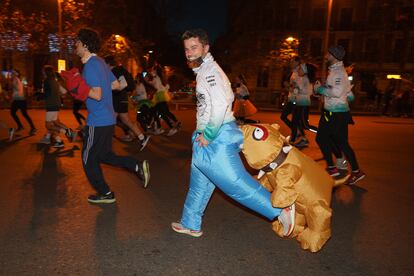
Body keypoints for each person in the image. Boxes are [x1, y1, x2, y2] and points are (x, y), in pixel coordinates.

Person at [171, 29, 295, 237]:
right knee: (199, 184)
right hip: (207, 136)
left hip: (215, 136)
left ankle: (279, 210)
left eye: (194, 47)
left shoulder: (210, 72)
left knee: (235, 183)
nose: (190, 53)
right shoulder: (204, 70)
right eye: (186, 49)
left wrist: (208, 135)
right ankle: (190, 223)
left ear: (205, 48)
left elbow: (221, 104)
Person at [70, 28, 150, 204]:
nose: (75, 45)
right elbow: (116, 85)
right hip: (108, 118)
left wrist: (79, 88)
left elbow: (97, 94)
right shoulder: (100, 62)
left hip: (97, 120)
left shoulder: (91, 66)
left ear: (84, 44)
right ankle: (135, 165)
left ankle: (104, 192)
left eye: (77, 42)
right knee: (104, 155)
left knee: (88, 158)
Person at [314, 45, 365, 185]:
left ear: (333, 56)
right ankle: (346, 169)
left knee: (324, 139)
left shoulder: (338, 73)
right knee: (335, 141)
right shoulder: (337, 71)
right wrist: (329, 93)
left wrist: (320, 89)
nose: (325, 55)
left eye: (328, 53)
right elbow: (350, 96)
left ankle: (337, 168)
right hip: (336, 112)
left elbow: (336, 92)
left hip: (335, 114)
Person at [104, 55, 150, 150]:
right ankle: (142, 137)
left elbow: (123, 84)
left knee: (111, 119)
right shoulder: (117, 71)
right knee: (125, 120)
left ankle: (105, 141)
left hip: (118, 98)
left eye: (105, 64)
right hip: (122, 98)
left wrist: (112, 89)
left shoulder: (114, 71)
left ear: (108, 64)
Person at [39, 65, 76, 148]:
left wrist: (40, 96)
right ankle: (58, 141)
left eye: (43, 71)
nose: (42, 73)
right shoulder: (54, 81)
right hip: (56, 104)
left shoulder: (47, 81)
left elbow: (47, 94)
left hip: (51, 105)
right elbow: (62, 91)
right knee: (56, 122)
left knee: (48, 125)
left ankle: (66, 131)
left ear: (46, 72)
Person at [144, 65, 181, 136]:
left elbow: (156, 86)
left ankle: (171, 127)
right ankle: (164, 127)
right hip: (159, 96)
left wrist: (148, 81)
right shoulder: (158, 78)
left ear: (156, 71)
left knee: (163, 113)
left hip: (160, 96)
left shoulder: (157, 78)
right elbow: (155, 84)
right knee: (162, 113)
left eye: (153, 70)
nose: (152, 71)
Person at [9, 69, 37, 135]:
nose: (11, 74)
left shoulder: (15, 80)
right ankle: (23, 126)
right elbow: (18, 90)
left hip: (20, 100)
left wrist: (13, 85)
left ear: (16, 74)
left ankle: (31, 127)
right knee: (15, 113)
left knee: (22, 114)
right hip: (18, 99)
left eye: (13, 73)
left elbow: (18, 89)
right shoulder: (17, 79)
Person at [280, 56, 300, 139]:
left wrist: (288, 86)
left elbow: (298, 88)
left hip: (296, 99)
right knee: (284, 116)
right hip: (291, 98)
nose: (291, 64)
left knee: (292, 119)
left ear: (297, 62)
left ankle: (295, 135)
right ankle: (296, 132)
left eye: (292, 62)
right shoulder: (293, 72)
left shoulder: (299, 73)